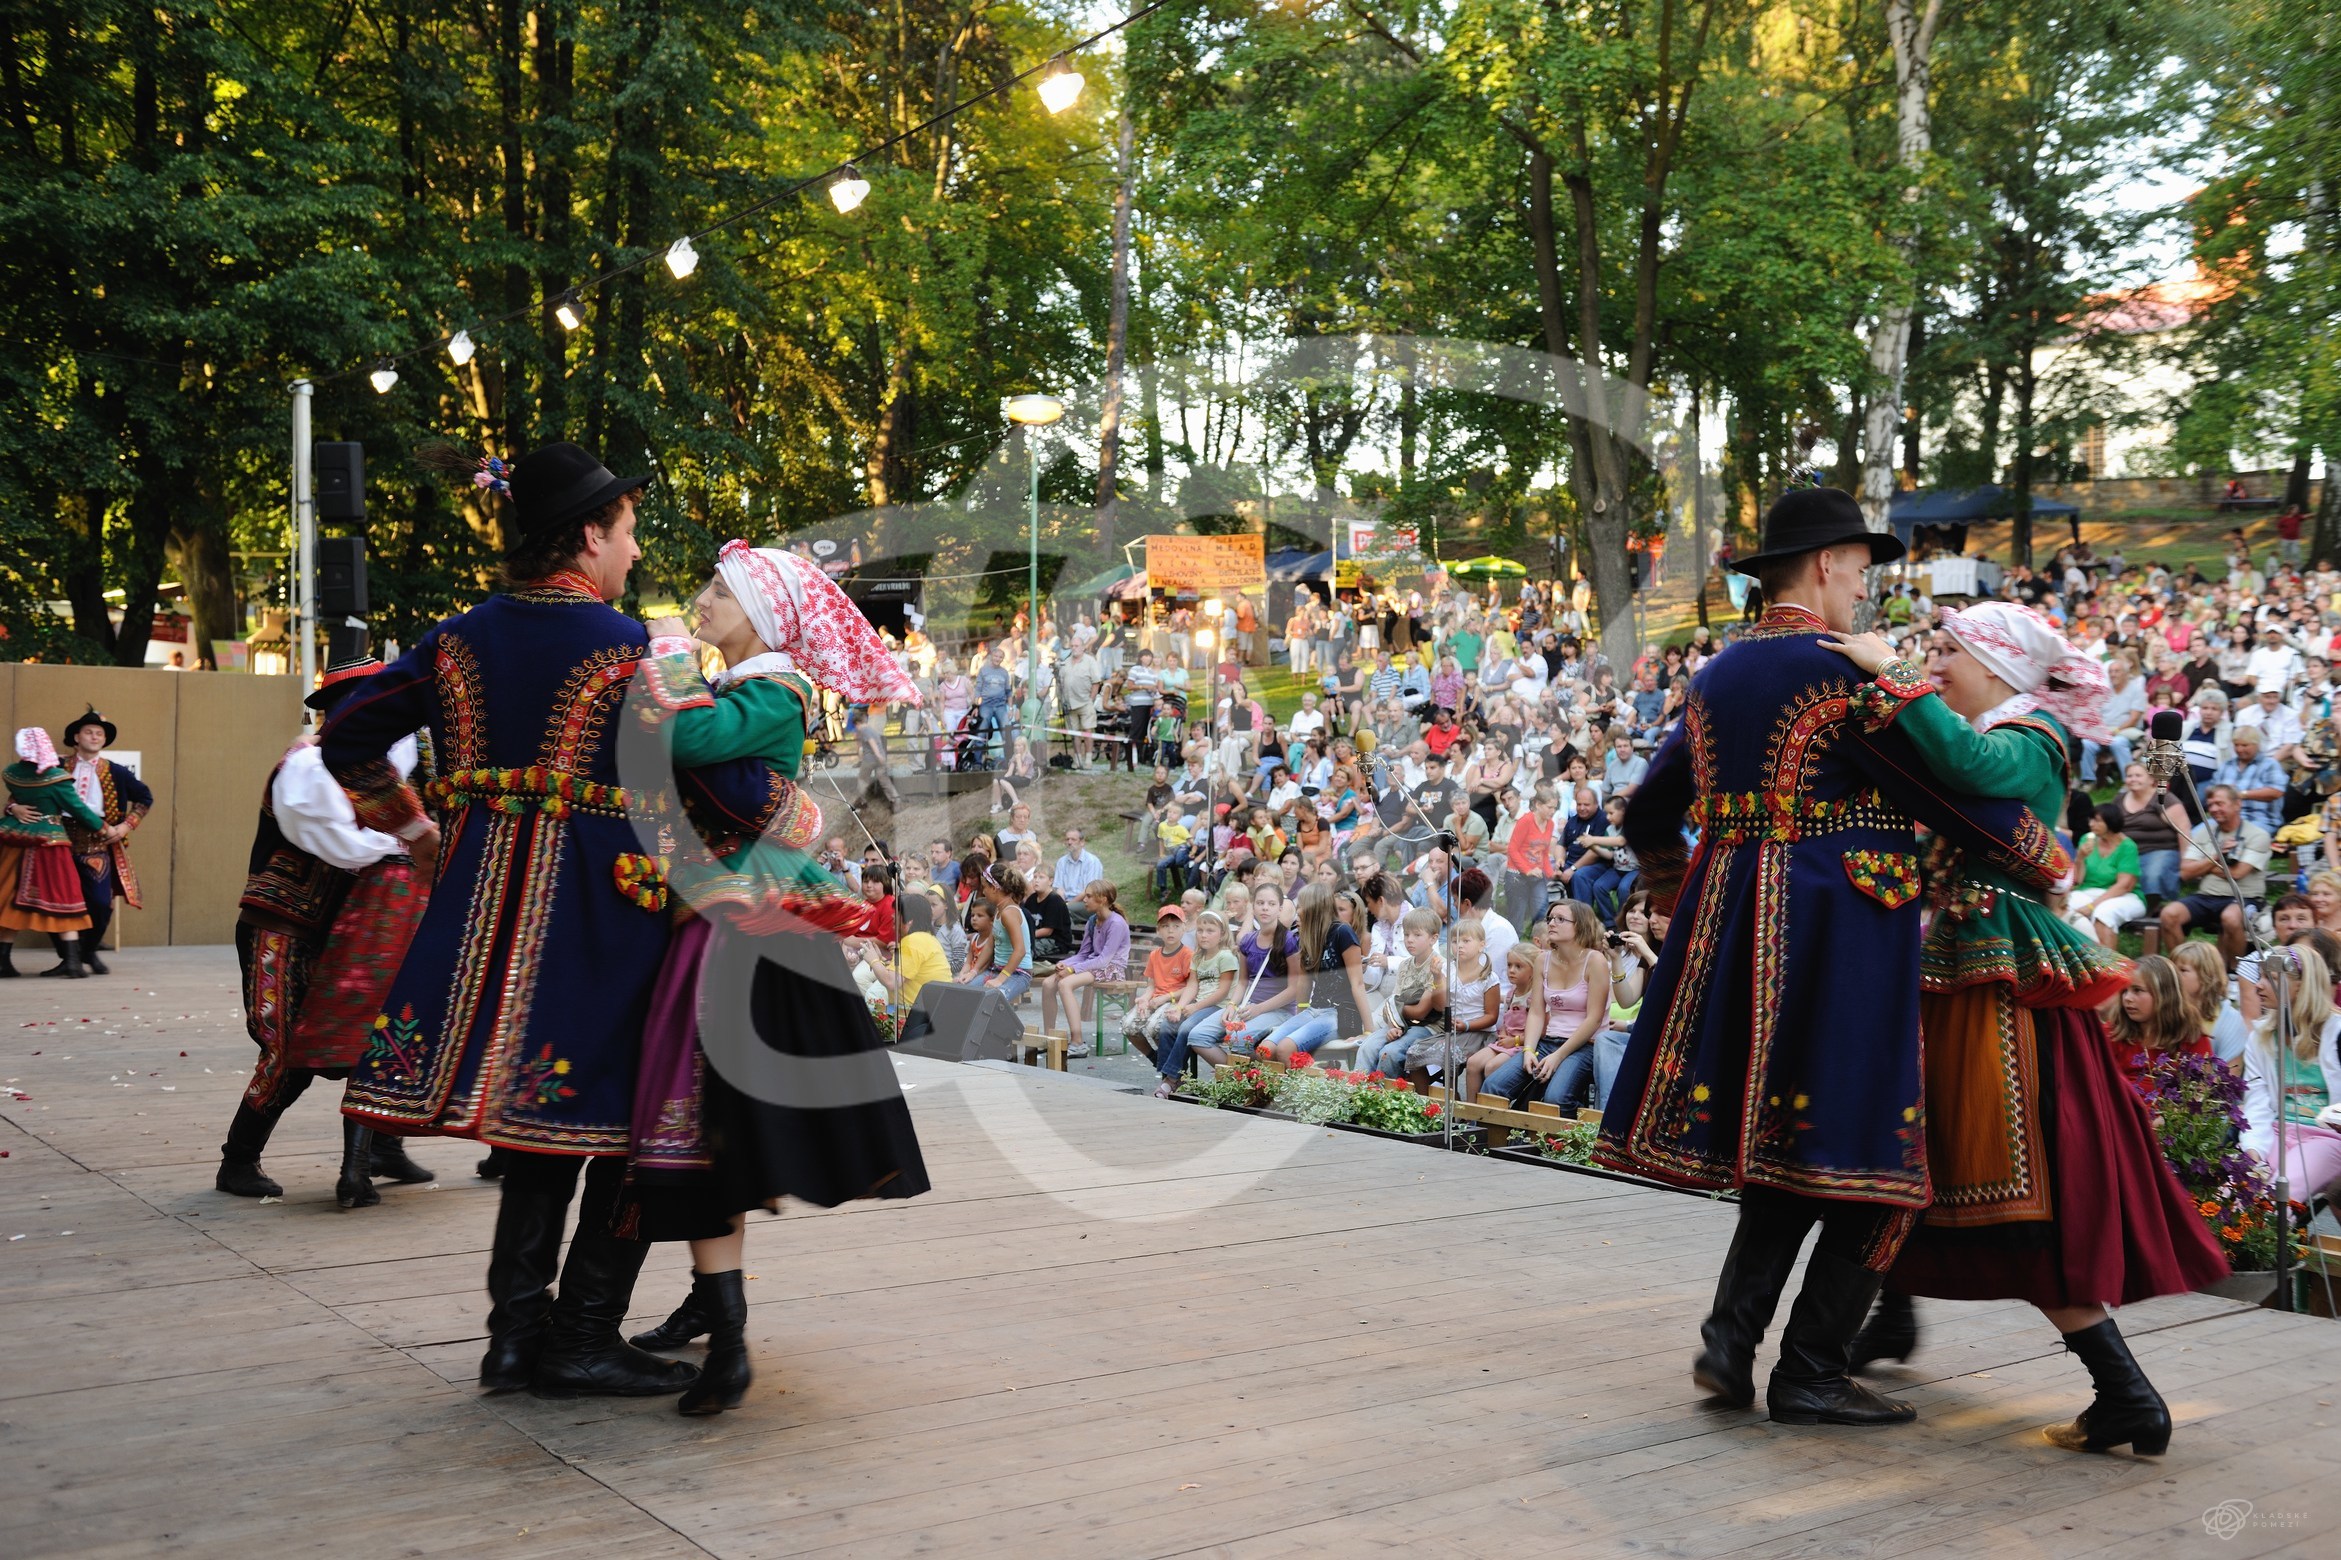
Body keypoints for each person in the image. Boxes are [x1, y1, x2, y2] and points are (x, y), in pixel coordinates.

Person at [320, 442, 791, 1401]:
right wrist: (785, 778)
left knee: (536, 1136)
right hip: (602, 912)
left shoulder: (455, 639)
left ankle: (511, 1340)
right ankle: (579, 1337)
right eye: (626, 533)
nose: (634, 552)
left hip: (476, 913)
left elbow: (348, 735)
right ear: (588, 535)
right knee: (623, 1129)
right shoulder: (632, 651)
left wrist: (416, 830)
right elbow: (736, 796)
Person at [1600, 488, 2075, 1430]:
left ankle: (1729, 1343)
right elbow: (1934, 789)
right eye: (1860, 571)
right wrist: (2038, 853)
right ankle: (1810, 1372)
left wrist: (1674, 895)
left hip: (1730, 930)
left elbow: (1647, 814)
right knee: (1879, 1162)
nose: (1864, 590)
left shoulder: (1716, 676)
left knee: (1785, 1153)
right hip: (1837, 936)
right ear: (1825, 567)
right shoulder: (1836, 673)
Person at [1824, 600, 2227, 1456]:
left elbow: (1967, 760)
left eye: (1947, 652)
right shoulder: (1999, 725)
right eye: (1929, 651)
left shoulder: (2034, 735)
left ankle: (2123, 1392)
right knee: (1921, 1149)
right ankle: (1886, 1321)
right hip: (1961, 970)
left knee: (2001, 1175)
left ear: (1997, 666)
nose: (1932, 663)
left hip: (2000, 984)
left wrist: (1885, 672)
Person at [619, 543, 931, 1414]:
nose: (702, 598)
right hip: (722, 918)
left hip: (742, 930)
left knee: (711, 1125)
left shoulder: (772, 690)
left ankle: (726, 1336)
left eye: (721, 590)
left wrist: (670, 652)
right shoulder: (745, 689)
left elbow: (686, 737)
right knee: (708, 1134)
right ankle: (714, 1316)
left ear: (763, 615)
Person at [218, 658, 438, 1208]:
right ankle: (238, 1158)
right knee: (288, 1050)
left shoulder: (383, 774)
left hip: (336, 928)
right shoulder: (309, 765)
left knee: (375, 1031)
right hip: (282, 925)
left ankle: (383, 1146)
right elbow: (338, 844)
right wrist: (415, 841)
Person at [0, 728, 107, 978]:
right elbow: (79, 810)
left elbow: (15, 796)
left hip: (16, 842)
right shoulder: (57, 779)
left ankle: (3, 961)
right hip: (50, 845)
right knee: (65, 899)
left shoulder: (11, 774)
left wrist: (13, 806)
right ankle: (72, 962)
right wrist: (104, 829)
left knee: (9, 900)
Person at [2240, 944, 2341, 1201]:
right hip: (2275, 1132)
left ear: (2302, 985)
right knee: (2231, 1193)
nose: (2258, 986)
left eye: (2270, 978)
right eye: (2259, 976)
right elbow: (2257, 1103)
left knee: (2276, 1198)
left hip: (2327, 1137)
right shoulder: (2260, 1038)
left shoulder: (2337, 1032)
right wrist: (2252, 1150)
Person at [53, 707, 150, 972]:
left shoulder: (117, 772)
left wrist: (125, 827)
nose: (95, 737)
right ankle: (69, 957)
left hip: (97, 843)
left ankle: (87, 951)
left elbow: (145, 798)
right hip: (58, 841)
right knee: (56, 900)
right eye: (89, 732)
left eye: (99, 733)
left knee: (99, 903)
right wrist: (14, 808)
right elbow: (29, 793)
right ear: (76, 737)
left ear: (104, 741)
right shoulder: (56, 767)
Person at [1247, 881, 1373, 1062]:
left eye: (1302, 905)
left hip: (1339, 1014)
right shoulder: (1306, 935)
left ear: (1316, 908)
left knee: (1285, 1050)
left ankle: (1312, 1087)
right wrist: (1300, 1019)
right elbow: (1304, 983)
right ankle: (1301, 1081)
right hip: (1314, 1011)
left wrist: (1369, 1032)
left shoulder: (1342, 932)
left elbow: (1358, 984)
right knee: (1264, 1051)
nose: (1298, 911)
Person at [2159, 783, 2271, 966]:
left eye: (2220, 803)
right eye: (2210, 805)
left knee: (2231, 917)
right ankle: (2182, 968)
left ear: (2237, 804)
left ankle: (2235, 972)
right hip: (2207, 896)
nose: (2214, 809)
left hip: (2244, 897)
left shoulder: (2257, 835)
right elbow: (2186, 872)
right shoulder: (2204, 833)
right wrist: (2217, 856)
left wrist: (2204, 865)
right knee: (2169, 914)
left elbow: (2237, 873)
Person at [1150, 909, 1241, 1097]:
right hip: (1200, 1005)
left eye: (1209, 931)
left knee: (1186, 1029)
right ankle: (1172, 1076)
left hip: (1219, 1006)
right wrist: (1179, 1007)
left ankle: (1171, 1080)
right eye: (1200, 930)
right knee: (1168, 1025)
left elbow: (1223, 991)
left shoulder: (1226, 957)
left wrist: (1195, 1007)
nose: (1203, 935)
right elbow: (1192, 985)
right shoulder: (1198, 957)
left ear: (1222, 934)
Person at [2102, 954, 2210, 1087]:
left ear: (2164, 995)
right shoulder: (2112, 1032)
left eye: (2137, 990)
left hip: (2174, 1107)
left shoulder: (2191, 1035)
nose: (2127, 998)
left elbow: (2203, 1089)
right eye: (2124, 991)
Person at [1039, 882, 1129, 1037]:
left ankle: (1077, 1040)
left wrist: (1072, 969)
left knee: (1065, 984)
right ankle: (1050, 1036)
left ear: (1103, 899)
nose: (1084, 900)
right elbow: (1084, 954)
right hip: (1093, 964)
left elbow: (1104, 960)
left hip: (1111, 968)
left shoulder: (1116, 923)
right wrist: (1065, 964)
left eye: (1089, 896)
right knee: (1047, 984)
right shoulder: (1092, 921)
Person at [2065, 804, 2145, 950]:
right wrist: (2080, 858)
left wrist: (2091, 906)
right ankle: (2080, 961)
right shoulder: (2086, 839)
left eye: (2097, 821)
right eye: (2090, 820)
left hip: (2123, 895)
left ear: (2111, 822)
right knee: (2064, 907)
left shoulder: (2127, 846)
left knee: (2103, 913)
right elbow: (2078, 881)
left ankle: (2109, 967)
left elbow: (2124, 885)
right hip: (2088, 891)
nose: (2091, 824)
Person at [1121, 908, 1192, 1062]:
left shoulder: (1187, 954)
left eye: (1176, 926)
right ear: (1158, 930)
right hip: (1155, 1000)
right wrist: (1145, 998)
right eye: (1165, 926)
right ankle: (1156, 1058)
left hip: (1176, 1002)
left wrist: (1165, 998)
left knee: (1154, 1027)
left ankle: (1172, 1063)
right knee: (1128, 1026)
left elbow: (1191, 987)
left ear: (1184, 928)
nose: (1170, 931)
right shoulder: (1154, 955)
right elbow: (1151, 986)